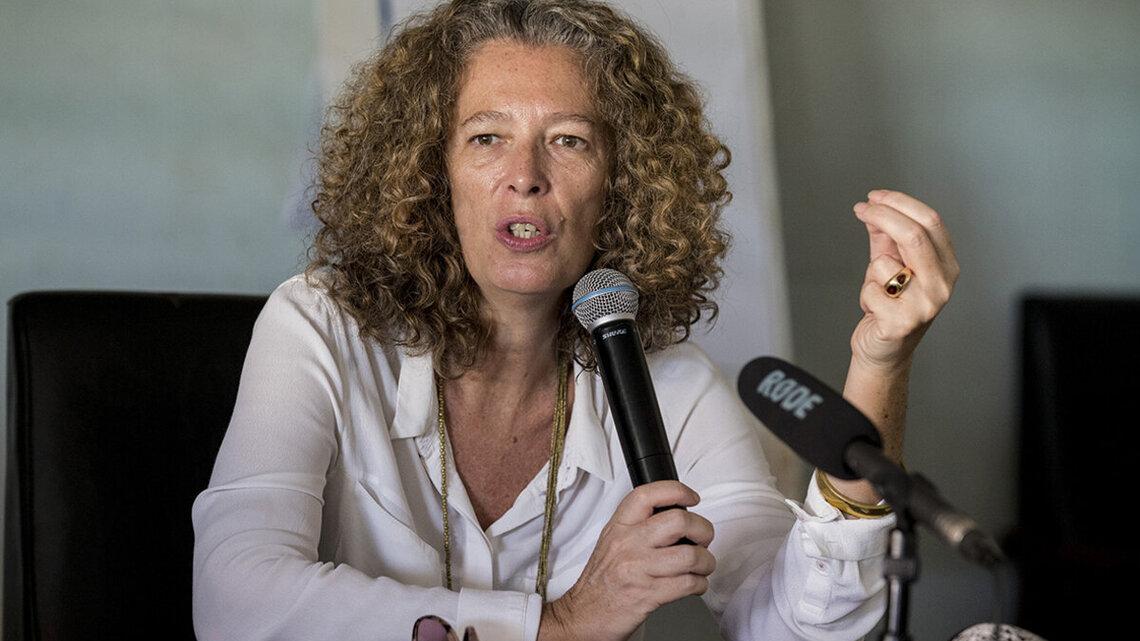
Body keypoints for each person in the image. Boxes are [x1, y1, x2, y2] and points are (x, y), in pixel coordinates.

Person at [191, 1, 960, 640]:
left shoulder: (673, 384)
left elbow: (799, 627)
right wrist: (562, 624)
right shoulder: (318, 327)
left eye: (567, 140)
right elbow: (234, 602)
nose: (525, 176)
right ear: (431, 172)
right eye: (487, 137)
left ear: (621, 184)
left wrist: (881, 359)